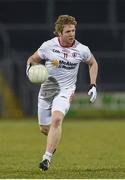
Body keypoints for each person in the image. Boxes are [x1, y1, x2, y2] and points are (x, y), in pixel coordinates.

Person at [26, 15, 98, 171]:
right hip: (47, 90)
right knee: (44, 128)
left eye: (73, 30)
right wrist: (30, 69)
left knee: (57, 120)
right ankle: (53, 144)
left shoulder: (82, 49)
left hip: (66, 90)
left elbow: (93, 63)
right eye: (68, 31)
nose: (72, 34)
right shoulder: (47, 46)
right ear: (59, 32)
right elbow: (33, 59)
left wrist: (93, 85)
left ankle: (46, 158)